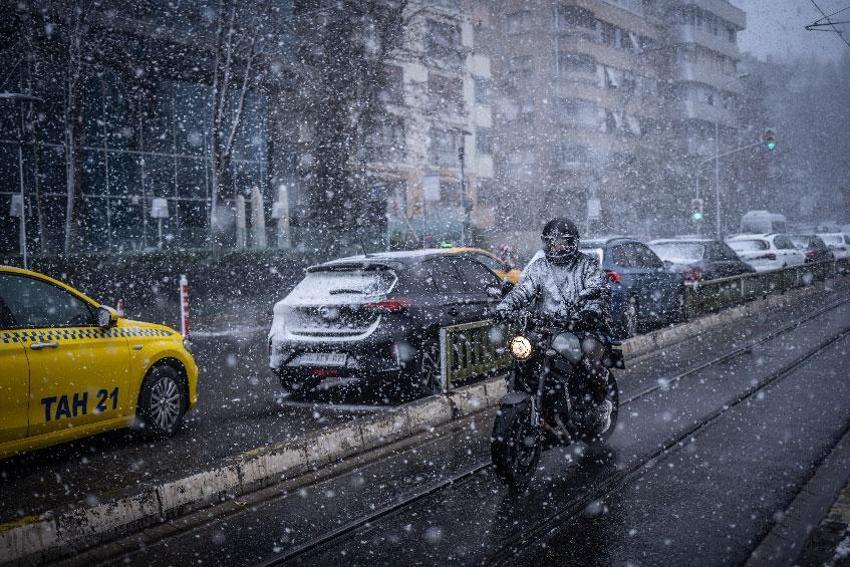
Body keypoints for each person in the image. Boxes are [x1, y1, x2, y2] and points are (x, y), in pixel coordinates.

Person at [495, 217, 613, 433]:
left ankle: (600, 404)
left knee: (589, 362)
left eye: (561, 242)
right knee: (525, 357)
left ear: (572, 243)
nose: (556, 246)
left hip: (579, 328)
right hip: (544, 329)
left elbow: (599, 290)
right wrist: (505, 306)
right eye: (551, 242)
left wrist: (589, 310)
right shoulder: (539, 267)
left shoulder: (587, 265)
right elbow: (524, 290)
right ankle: (537, 408)